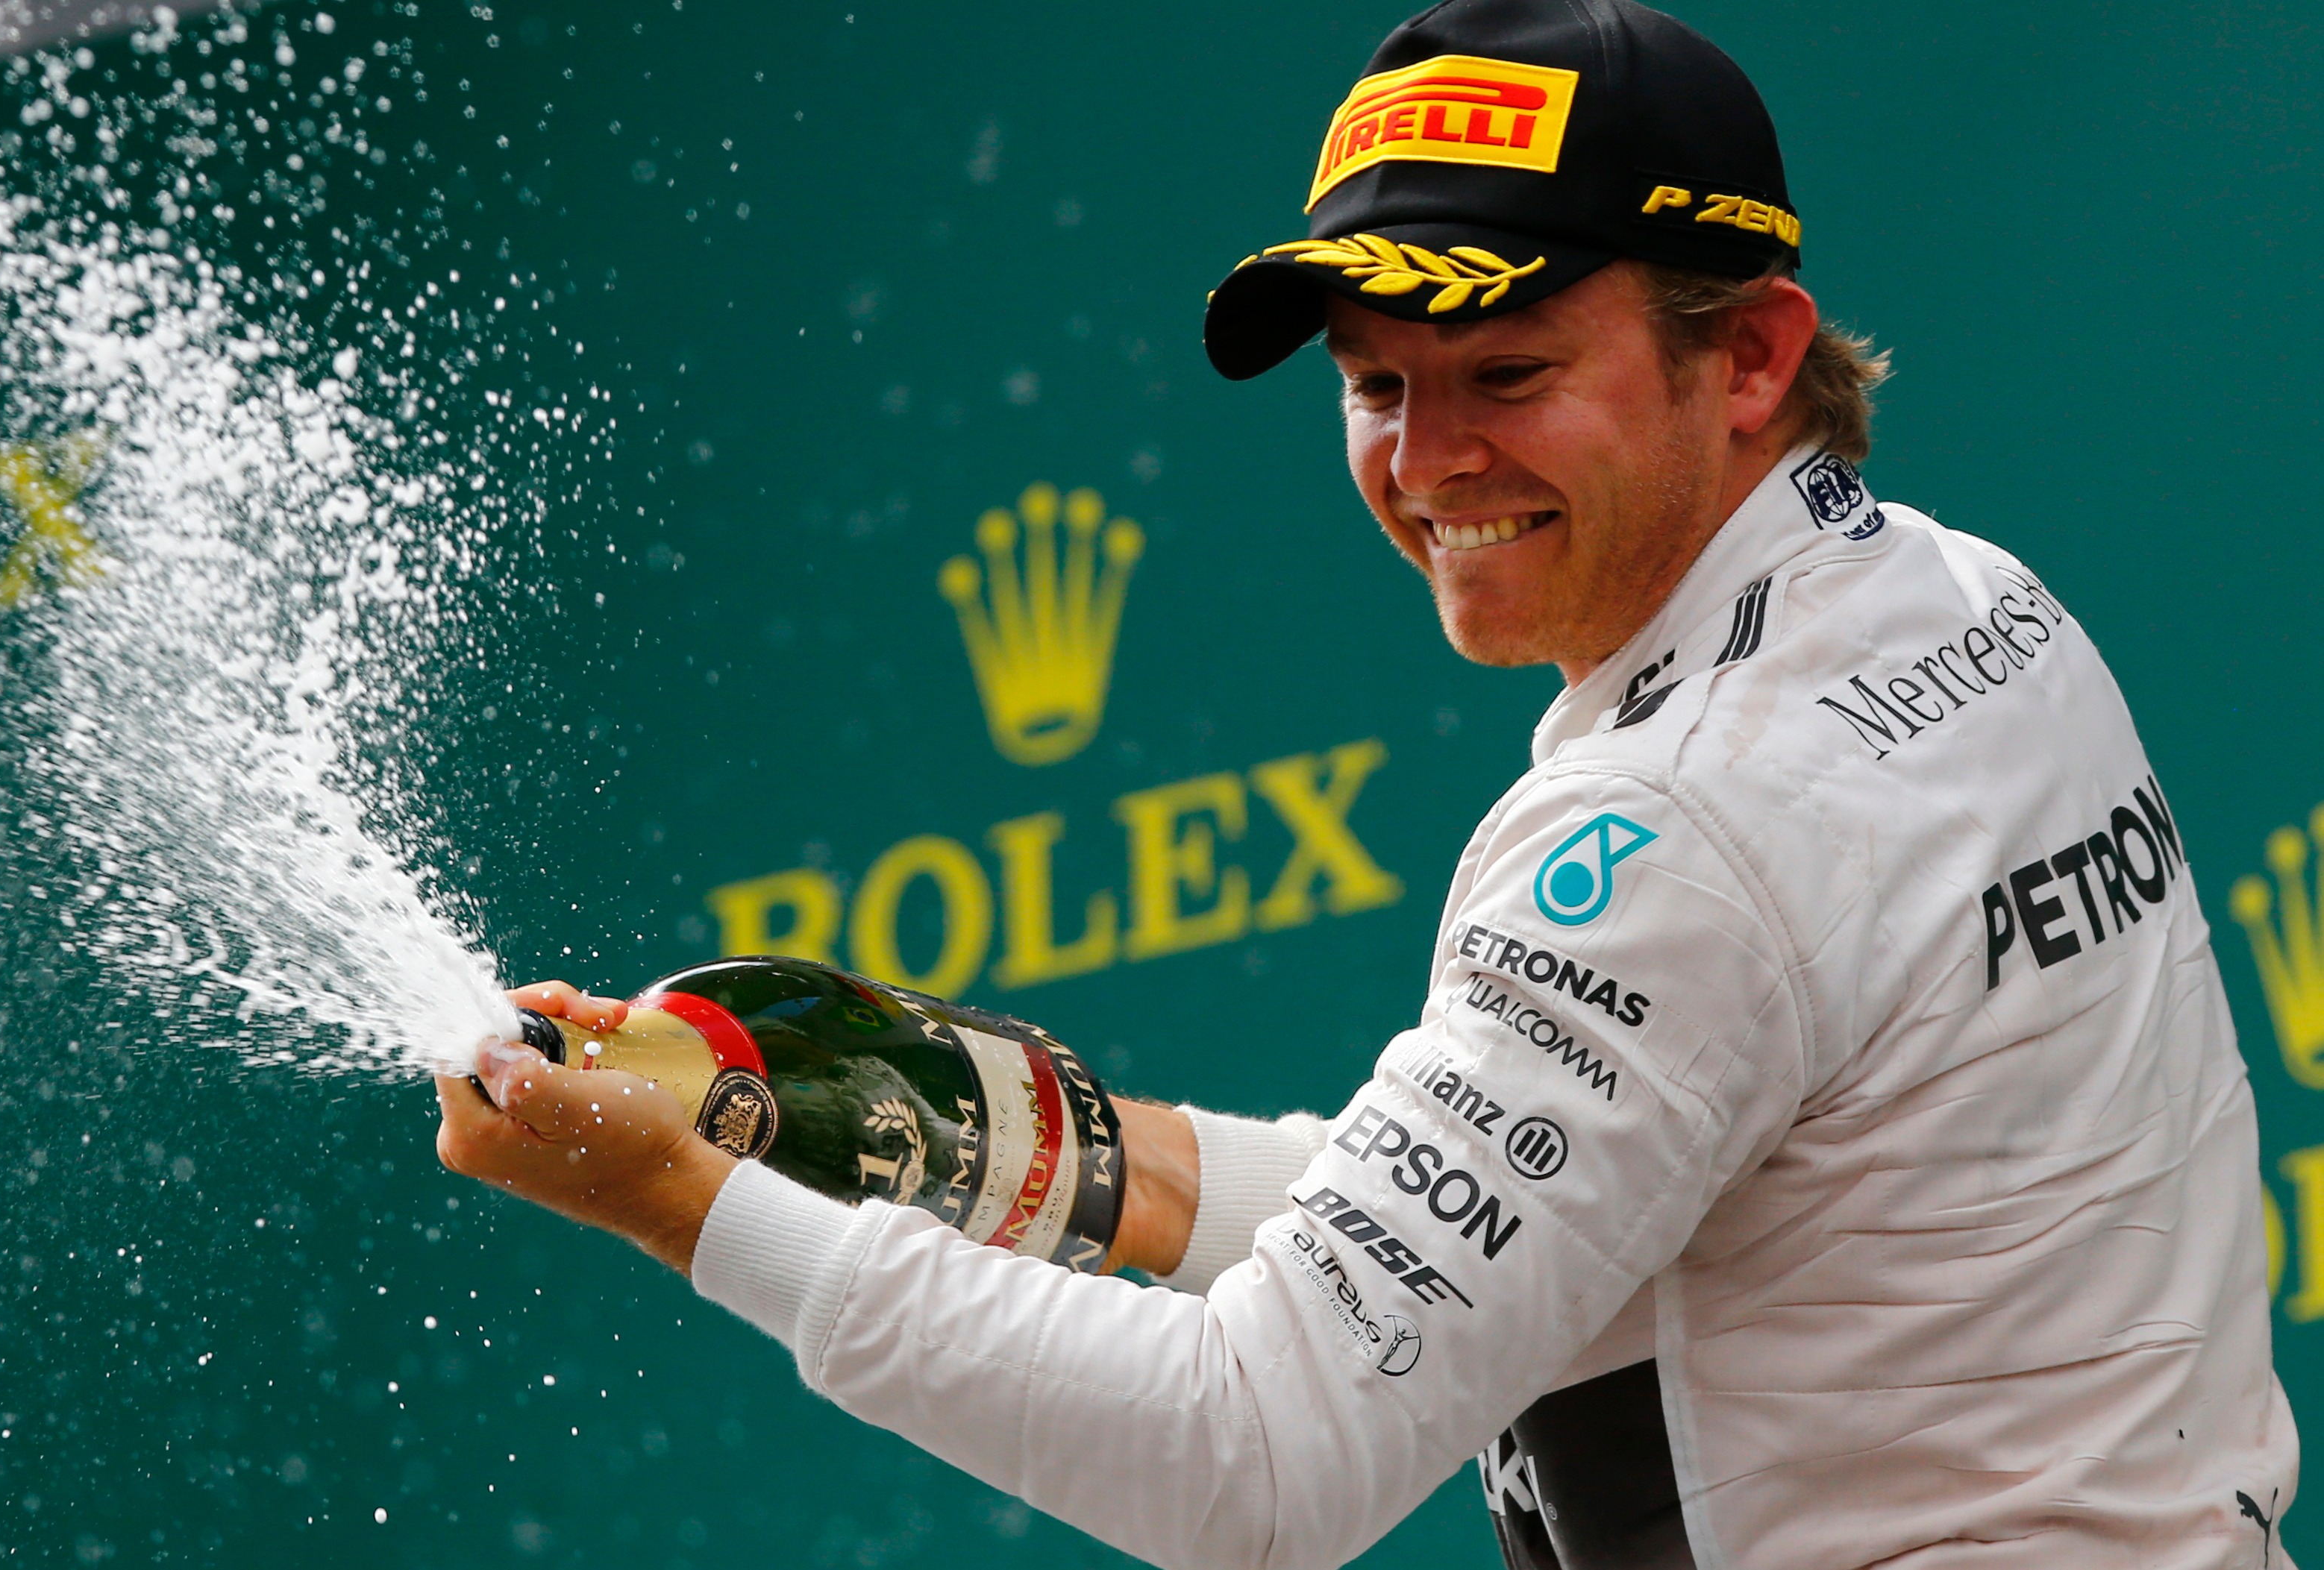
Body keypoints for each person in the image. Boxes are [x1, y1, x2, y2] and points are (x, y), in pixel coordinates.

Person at [433, 0, 2300, 1564]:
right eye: (1373, 386)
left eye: (1507, 370)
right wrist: (1064, 1155)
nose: (1425, 462)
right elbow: (1555, 1215)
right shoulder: (1961, 601)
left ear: (1747, 356)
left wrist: (687, 1206)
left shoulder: (1670, 829)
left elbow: (1251, 1463)